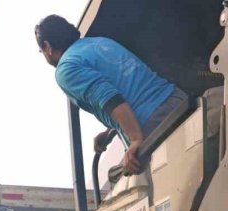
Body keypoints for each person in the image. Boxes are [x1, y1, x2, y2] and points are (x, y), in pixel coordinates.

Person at [35, 15, 188, 175]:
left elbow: (110, 98)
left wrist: (135, 139)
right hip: (177, 100)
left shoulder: (66, 69)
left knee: (129, 178)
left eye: (41, 50)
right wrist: (110, 132)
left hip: (153, 124)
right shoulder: (100, 42)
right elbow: (129, 87)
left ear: (47, 46)